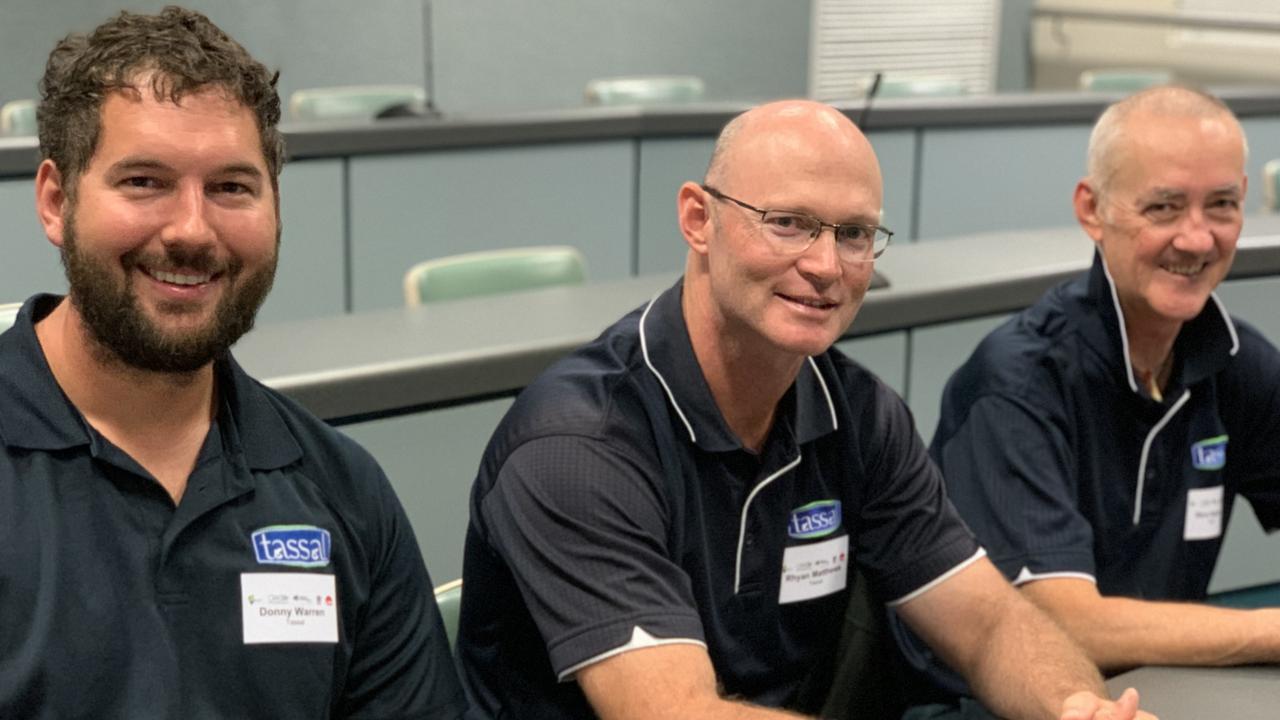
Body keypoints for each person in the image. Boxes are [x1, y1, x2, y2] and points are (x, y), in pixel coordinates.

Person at [456, 99, 1150, 719]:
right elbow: (676, 713)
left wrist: (1074, 706)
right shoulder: (579, 444)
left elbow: (990, 623)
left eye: (854, 234)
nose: (826, 265)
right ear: (699, 220)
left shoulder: (859, 412)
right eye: (788, 223)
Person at [0, 7, 465, 718]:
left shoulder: (341, 492)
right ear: (57, 201)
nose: (192, 230)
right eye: (144, 182)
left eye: (231, 187)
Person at [923, 84, 1280, 682]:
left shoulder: (1236, 362)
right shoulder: (1017, 381)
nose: (1197, 238)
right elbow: (1063, 625)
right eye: (1164, 207)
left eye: (1220, 204)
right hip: (988, 702)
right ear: (1093, 210)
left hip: (1157, 681)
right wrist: (1269, 630)